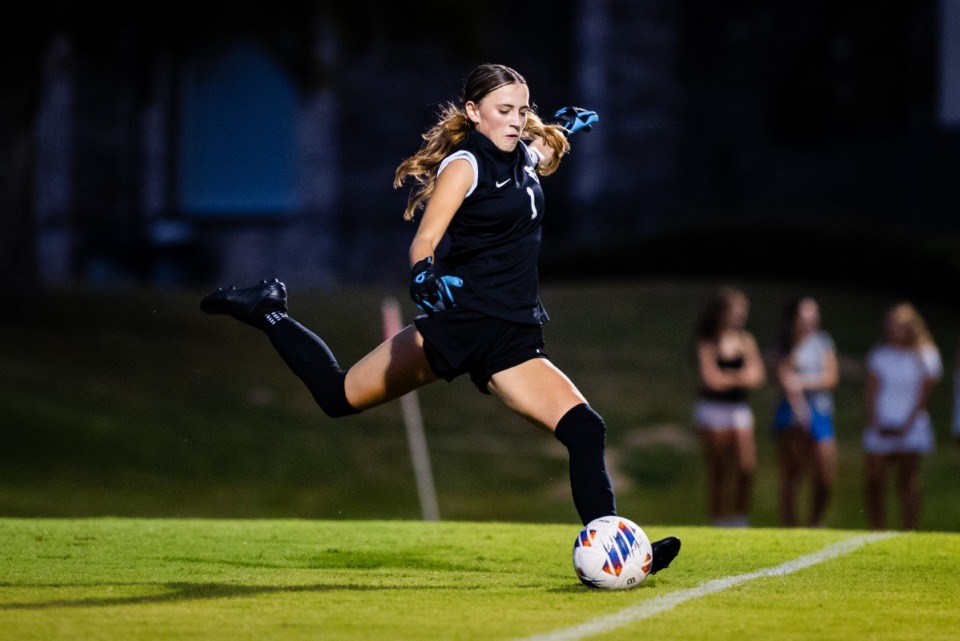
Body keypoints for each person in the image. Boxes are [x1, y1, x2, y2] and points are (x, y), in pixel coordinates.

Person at [200, 63, 680, 572]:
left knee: (585, 428)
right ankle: (269, 311)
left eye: (523, 110)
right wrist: (424, 275)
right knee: (337, 397)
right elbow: (425, 239)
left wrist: (560, 131)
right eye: (504, 111)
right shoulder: (465, 166)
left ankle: (617, 554)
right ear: (474, 112)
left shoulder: (523, 155)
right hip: (461, 322)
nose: (517, 120)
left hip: (513, 336)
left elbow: (544, 152)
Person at [863, 301, 942, 531]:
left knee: (907, 480)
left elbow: (924, 395)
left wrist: (907, 425)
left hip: (911, 425)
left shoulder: (926, 356)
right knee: (874, 480)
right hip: (882, 421)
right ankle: (875, 528)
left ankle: (908, 529)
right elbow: (871, 391)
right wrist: (876, 422)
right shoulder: (880, 355)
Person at [693, 286, 766, 527]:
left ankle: (740, 519)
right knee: (719, 471)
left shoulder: (746, 340)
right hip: (713, 412)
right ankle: (719, 522)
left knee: (746, 466)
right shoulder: (708, 342)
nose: (740, 315)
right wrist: (741, 376)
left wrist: (729, 377)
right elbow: (711, 380)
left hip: (739, 410)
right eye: (736, 310)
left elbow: (758, 376)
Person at [772, 296, 839, 528]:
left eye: (814, 316)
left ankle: (815, 522)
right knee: (792, 474)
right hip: (790, 412)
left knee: (824, 475)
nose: (810, 321)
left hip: (820, 410)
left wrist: (803, 382)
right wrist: (800, 411)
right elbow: (785, 380)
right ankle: (790, 526)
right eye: (804, 316)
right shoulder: (787, 344)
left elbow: (831, 377)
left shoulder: (823, 342)